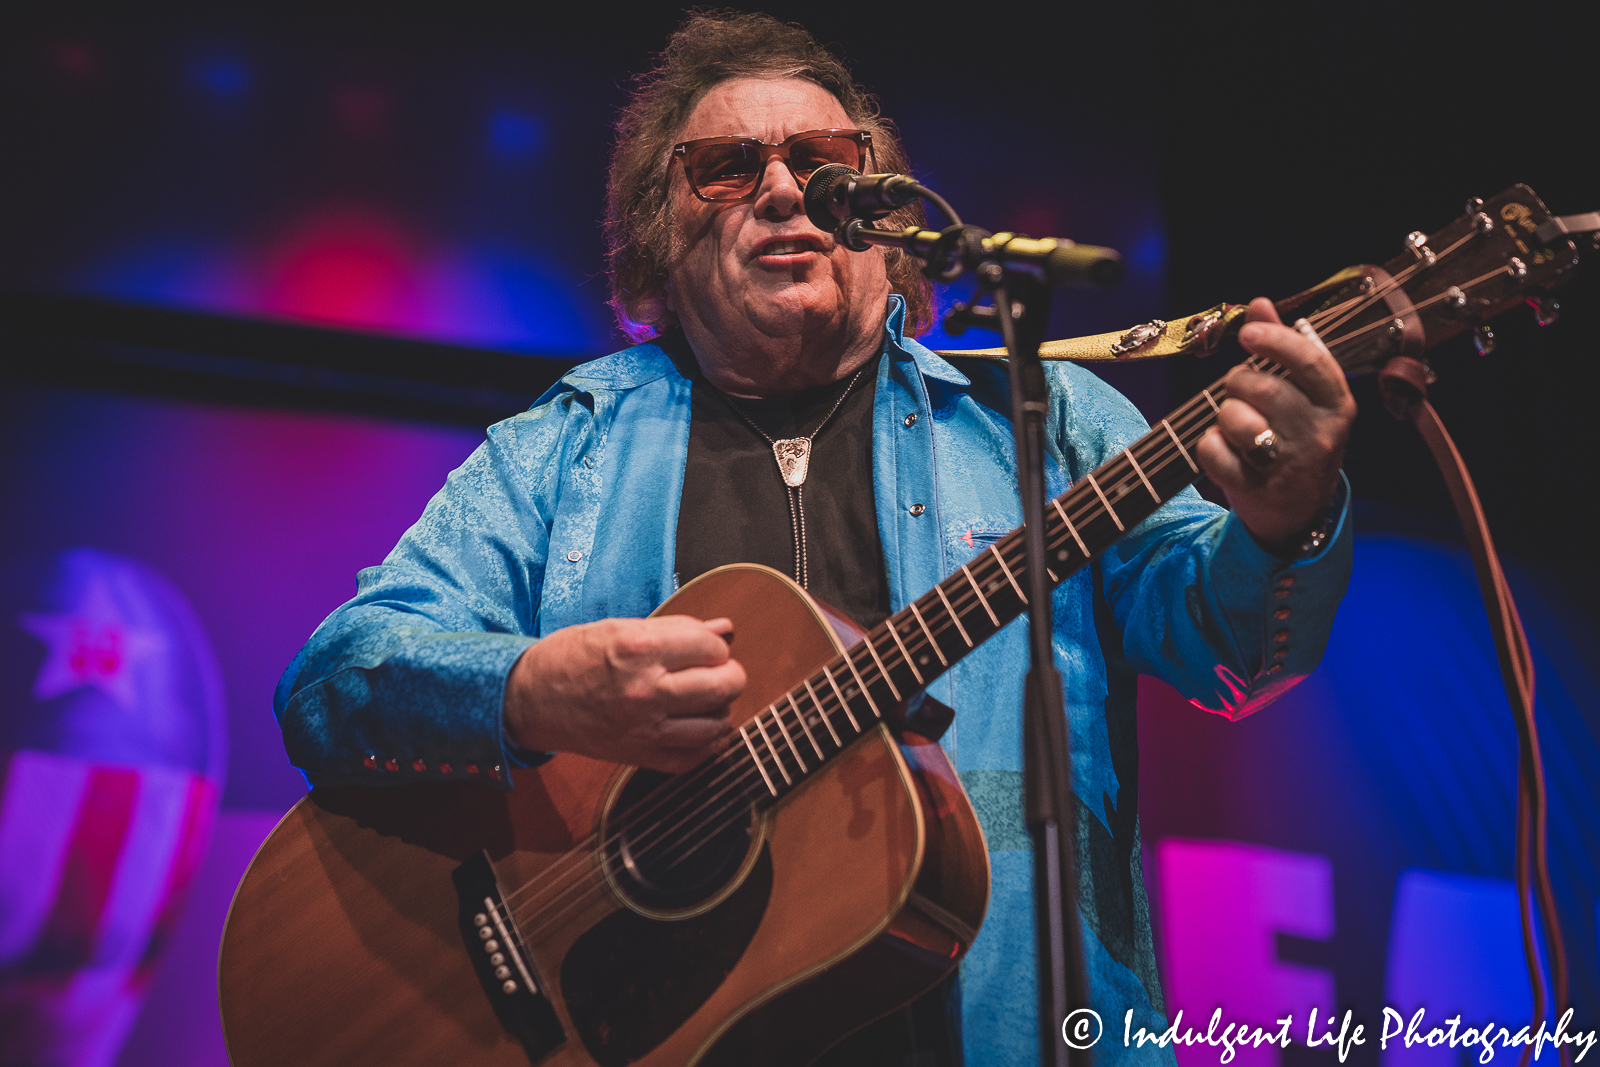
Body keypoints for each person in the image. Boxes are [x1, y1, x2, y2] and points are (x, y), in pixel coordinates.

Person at [274, 11, 1356, 1065]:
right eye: (727, 167)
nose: (785, 190)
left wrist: (1283, 514)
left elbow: (1230, 647)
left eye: (826, 162)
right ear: (662, 228)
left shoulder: (1048, 419)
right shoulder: (565, 447)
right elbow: (335, 682)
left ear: (884, 216)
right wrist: (527, 690)